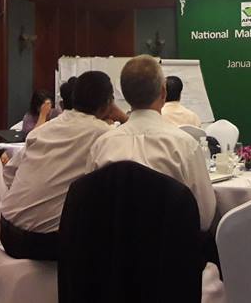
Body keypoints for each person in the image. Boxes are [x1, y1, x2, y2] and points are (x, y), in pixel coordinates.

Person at [88, 55, 215, 231]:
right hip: (172, 246)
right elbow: (204, 216)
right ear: (163, 93)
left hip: (112, 246)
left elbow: (89, 208)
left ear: (124, 94)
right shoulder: (185, 145)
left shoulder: (101, 146)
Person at [0, 71, 115, 261]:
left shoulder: (45, 129)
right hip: (41, 242)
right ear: (108, 103)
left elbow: (9, 173)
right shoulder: (103, 134)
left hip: (6, 230)